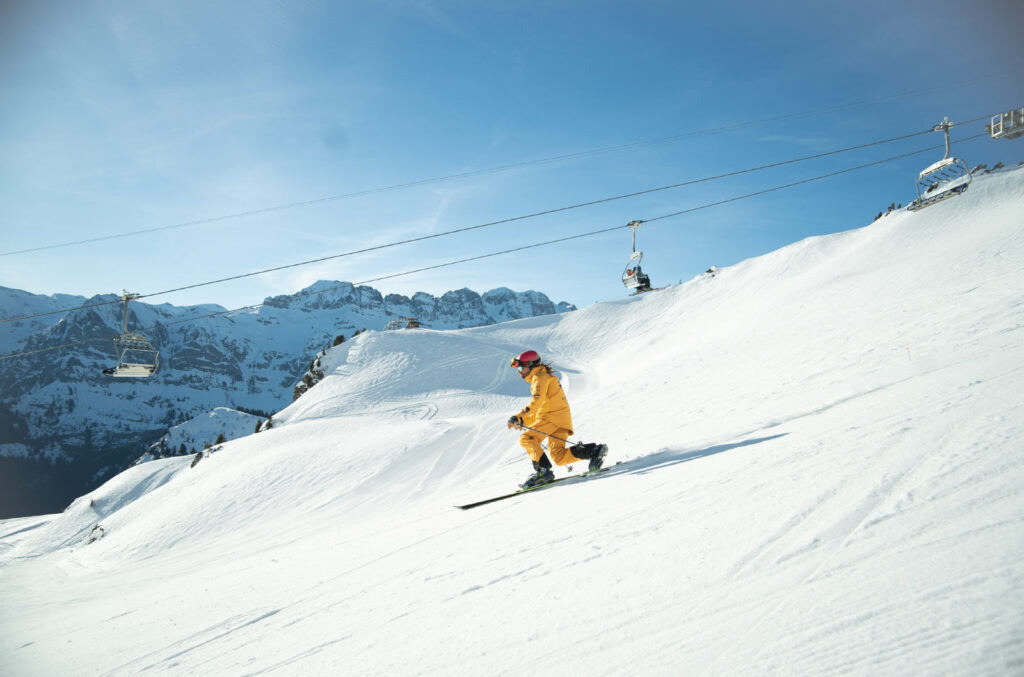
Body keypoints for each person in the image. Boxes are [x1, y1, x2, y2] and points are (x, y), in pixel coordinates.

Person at [507, 350, 607, 488]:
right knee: (558, 457)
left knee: (526, 439)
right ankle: (594, 451)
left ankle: (543, 472)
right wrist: (523, 421)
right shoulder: (543, 376)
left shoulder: (539, 377)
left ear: (530, 365)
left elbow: (536, 402)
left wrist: (518, 417)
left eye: (520, 367)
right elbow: (541, 409)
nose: (519, 371)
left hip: (552, 418)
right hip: (560, 419)